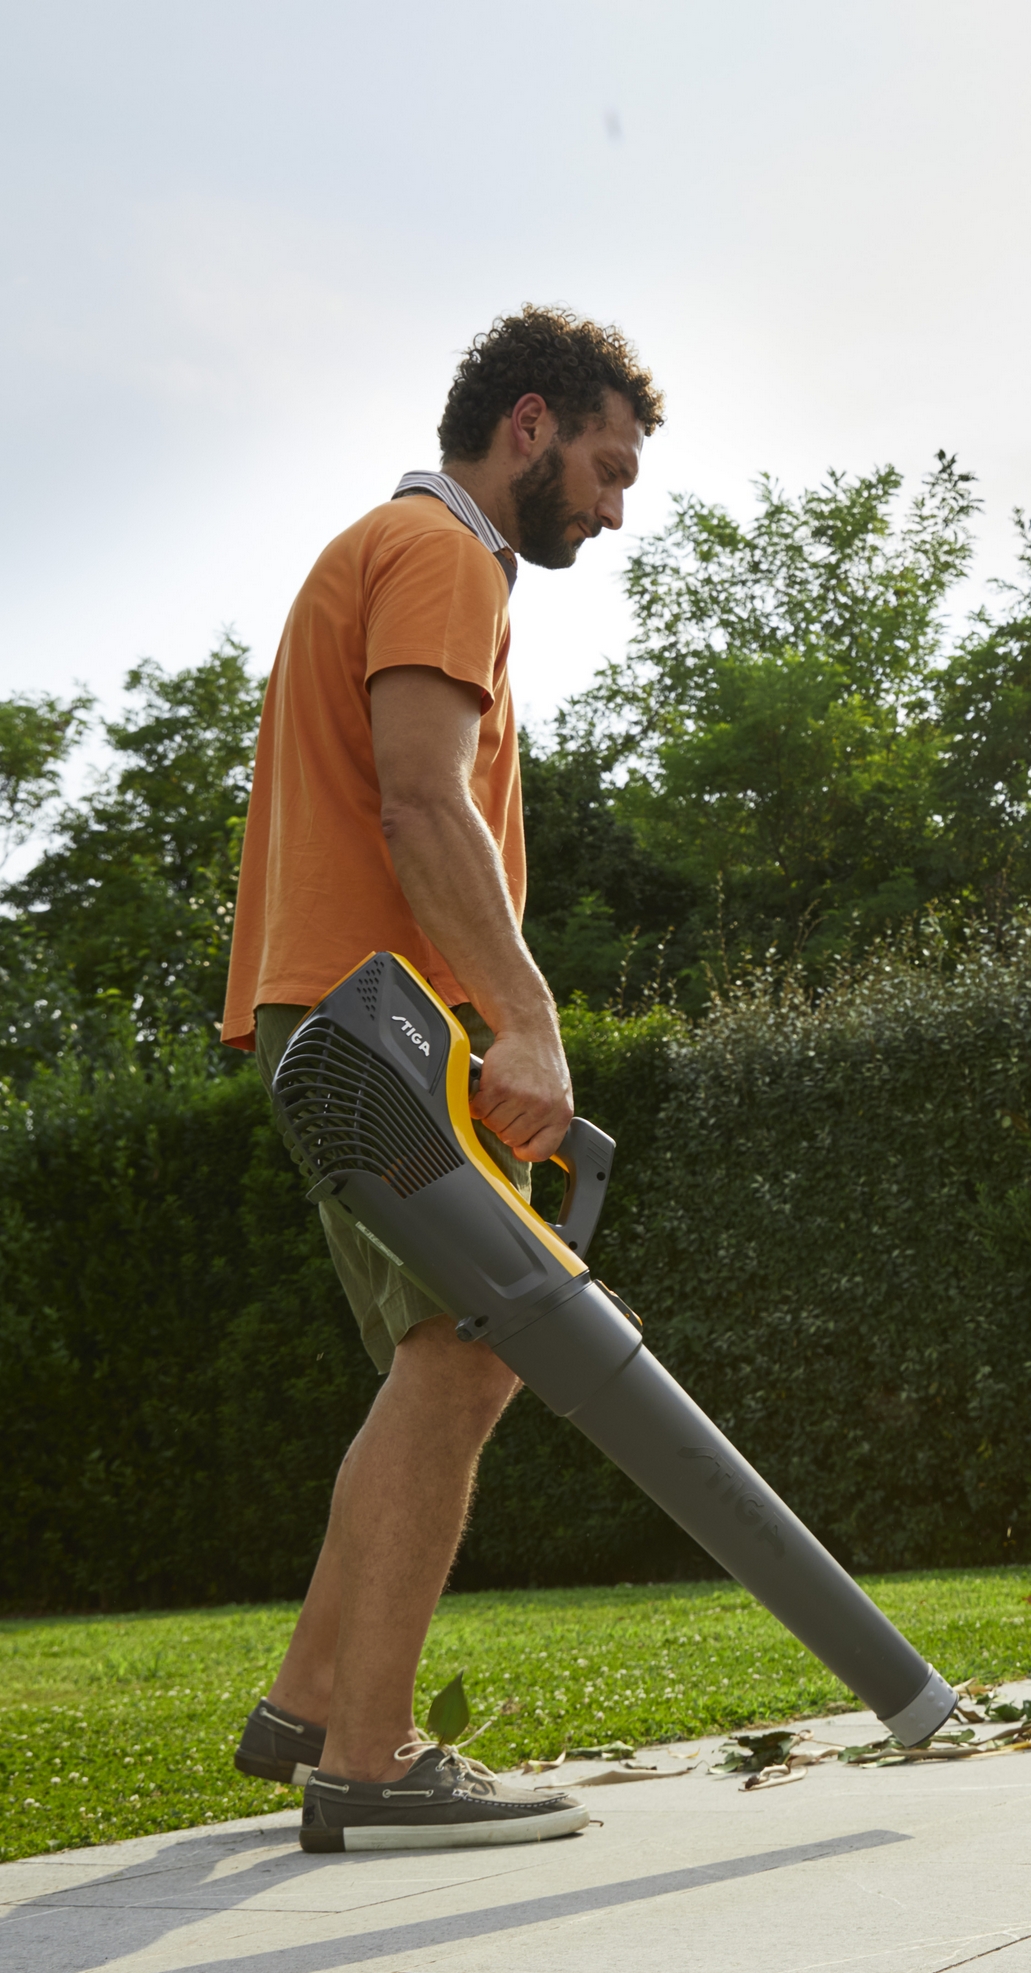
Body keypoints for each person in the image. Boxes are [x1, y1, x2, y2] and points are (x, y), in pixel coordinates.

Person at [217, 306, 661, 1853]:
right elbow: (420, 801)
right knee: (477, 1350)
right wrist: (524, 1020)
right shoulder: (444, 554)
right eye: (607, 467)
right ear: (527, 427)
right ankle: (372, 1758)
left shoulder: (399, 553)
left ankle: (307, 1702)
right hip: (385, 1014)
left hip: (351, 1005)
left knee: (444, 1353)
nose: (616, 507)